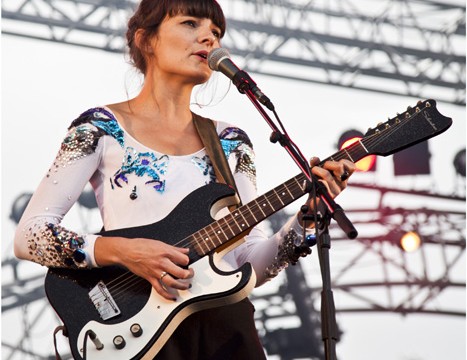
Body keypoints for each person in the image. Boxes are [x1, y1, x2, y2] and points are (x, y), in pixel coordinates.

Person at [14, 0, 355, 358]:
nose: (209, 37)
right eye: (191, 23)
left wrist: (307, 220)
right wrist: (125, 252)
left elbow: (252, 261)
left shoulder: (231, 142)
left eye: (217, 31)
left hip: (225, 329)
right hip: (139, 329)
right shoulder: (100, 127)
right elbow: (30, 235)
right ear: (146, 40)